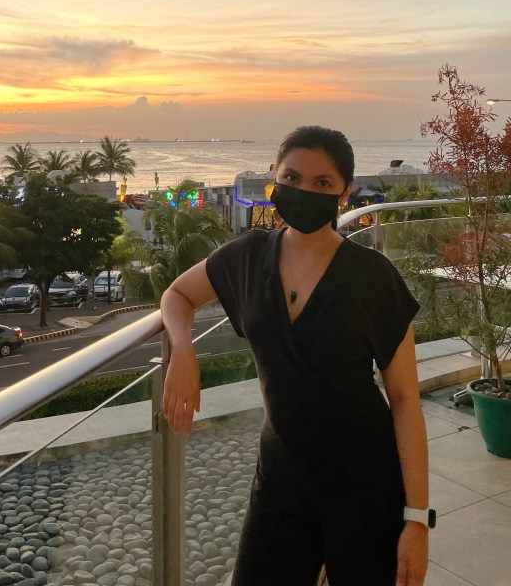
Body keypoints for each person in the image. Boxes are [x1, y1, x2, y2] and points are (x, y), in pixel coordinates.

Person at [161, 125, 430, 586]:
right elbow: (177, 295)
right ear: (275, 178)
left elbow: (404, 399)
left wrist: (417, 520)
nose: (304, 191)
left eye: (322, 182)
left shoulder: (373, 277)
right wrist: (183, 350)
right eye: (292, 178)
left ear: (345, 192)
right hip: (280, 479)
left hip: (366, 483)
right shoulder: (248, 256)